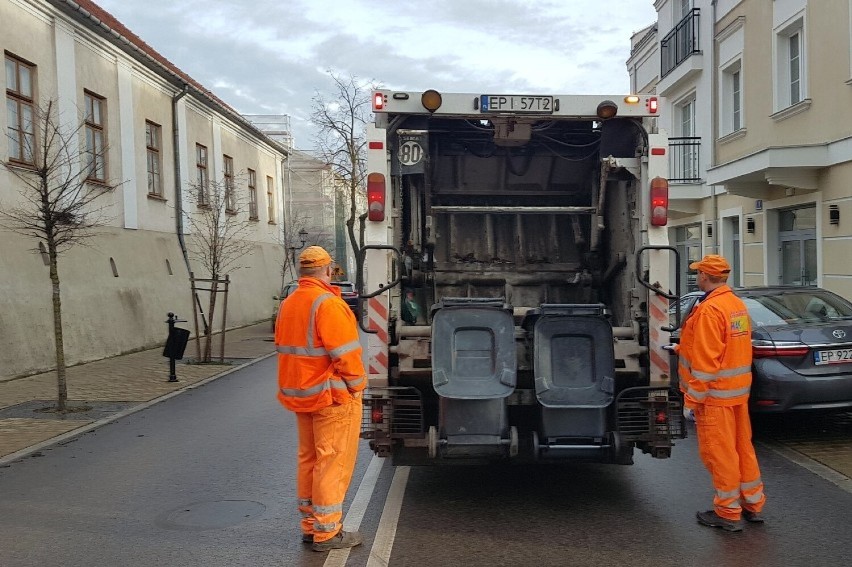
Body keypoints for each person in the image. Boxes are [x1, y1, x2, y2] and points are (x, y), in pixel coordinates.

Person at [274, 246, 367, 552]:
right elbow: (346, 354)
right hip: (331, 398)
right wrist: (358, 386)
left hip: (301, 396)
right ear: (327, 271)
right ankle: (328, 533)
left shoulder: (289, 304)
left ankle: (310, 527)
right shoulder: (328, 304)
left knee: (309, 460)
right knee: (332, 462)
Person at [673, 254, 765, 533]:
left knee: (719, 454)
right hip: (736, 395)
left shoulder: (709, 310)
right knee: (742, 449)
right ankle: (752, 504)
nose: (697, 277)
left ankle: (727, 512)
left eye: (699, 273)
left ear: (705, 276)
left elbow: (706, 360)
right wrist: (680, 349)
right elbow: (725, 349)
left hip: (713, 397)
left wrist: (692, 399)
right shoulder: (735, 305)